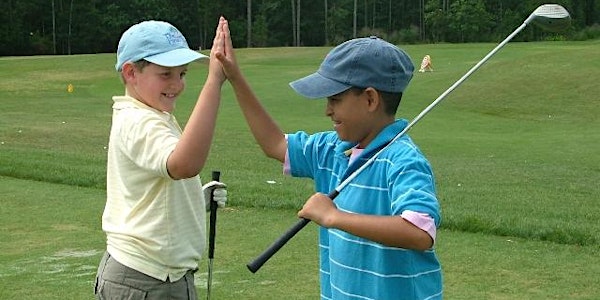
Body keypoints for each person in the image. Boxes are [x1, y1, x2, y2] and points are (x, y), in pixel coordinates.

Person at [218, 23, 443, 300]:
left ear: (370, 99)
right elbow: (275, 144)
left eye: (335, 99)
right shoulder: (331, 149)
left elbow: (420, 231)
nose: (327, 110)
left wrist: (334, 216)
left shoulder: (403, 160)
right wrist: (236, 78)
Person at [94, 17, 229, 300]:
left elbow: (157, 186)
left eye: (182, 74)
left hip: (155, 276)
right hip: (146, 280)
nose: (177, 84)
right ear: (131, 72)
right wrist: (214, 81)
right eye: (165, 74)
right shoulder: (139, 121)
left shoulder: (154, 115)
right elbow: (184, 164)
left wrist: (195, 198)